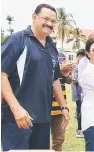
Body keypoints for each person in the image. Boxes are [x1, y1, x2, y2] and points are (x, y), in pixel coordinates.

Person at [1, 4, 69, 150]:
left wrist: (64, 106)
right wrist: (16, 108)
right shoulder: (17, 40)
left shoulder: (52, 47)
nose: (49, 23)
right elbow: (2, 75)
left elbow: (55, 79)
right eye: (45, 18)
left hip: (43, 118)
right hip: (18, 119)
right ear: (34, 17)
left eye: (53, 21)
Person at [51, 52, 73, 151]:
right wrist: (58, 69)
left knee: (58, 140)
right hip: (43, 108)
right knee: (40, 140)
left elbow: (69, 81)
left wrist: (66, 74)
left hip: (60, 108)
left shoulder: (61, 57)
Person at [72, 49, 86, 138]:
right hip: (78, 93)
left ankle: (83, 128)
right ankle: (80, 129)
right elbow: (74, 80)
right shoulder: (75, 67)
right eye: (79, 57)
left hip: (85, 93)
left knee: (83, 111)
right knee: (79, 111)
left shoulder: (86, 66)